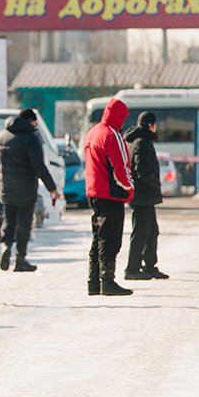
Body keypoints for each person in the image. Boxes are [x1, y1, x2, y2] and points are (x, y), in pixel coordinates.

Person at [0, 108, 61, 272]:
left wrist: (2, 177)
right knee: (24, 224)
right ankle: (20, 259)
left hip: (6, 187)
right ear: (30, 121)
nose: (36, 125)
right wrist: (52, 188)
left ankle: (5, 246)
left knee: (9, 220)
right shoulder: (31, 139)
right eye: (35, 121)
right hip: (26, 189)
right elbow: (39, 166)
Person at [83, 97, 134, 296]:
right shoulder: (112, 135)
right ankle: (108, 281)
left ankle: (93, 281)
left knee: (98, 237)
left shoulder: (92, 132)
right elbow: (120, 168)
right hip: (111, 193)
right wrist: (129, 189)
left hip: (93, 191)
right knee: (111, 239)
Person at [124, 110, 169, 281]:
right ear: (151, 125)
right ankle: (132, 268)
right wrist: (154, 183)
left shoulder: (140, 140)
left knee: (151, 231)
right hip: (142, 196)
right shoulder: (142, 142)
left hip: (144, 196)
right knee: (141, 232)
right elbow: (141, 169)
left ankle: (149, 266)